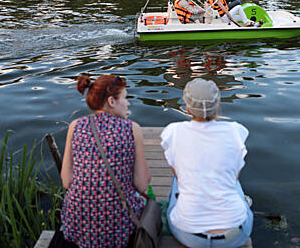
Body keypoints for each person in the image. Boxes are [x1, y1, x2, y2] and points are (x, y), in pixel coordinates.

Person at [60, 74, 151, 248]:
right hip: (117, 224)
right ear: (111, 101)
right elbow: (141, 185)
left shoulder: (75, 126)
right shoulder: (132, 129)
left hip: (77, 221)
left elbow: (66, 181)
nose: (128, 103)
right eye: (125, 98)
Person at [161, 78, 253, 248]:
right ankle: (243, 202)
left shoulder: (172, 132)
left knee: (178, 179)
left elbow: (178, 176)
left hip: (189, 235)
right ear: (218, 104)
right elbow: (233, 178)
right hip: (234, 236)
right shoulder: (236, 131)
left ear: (187, 108)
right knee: (231, 176)